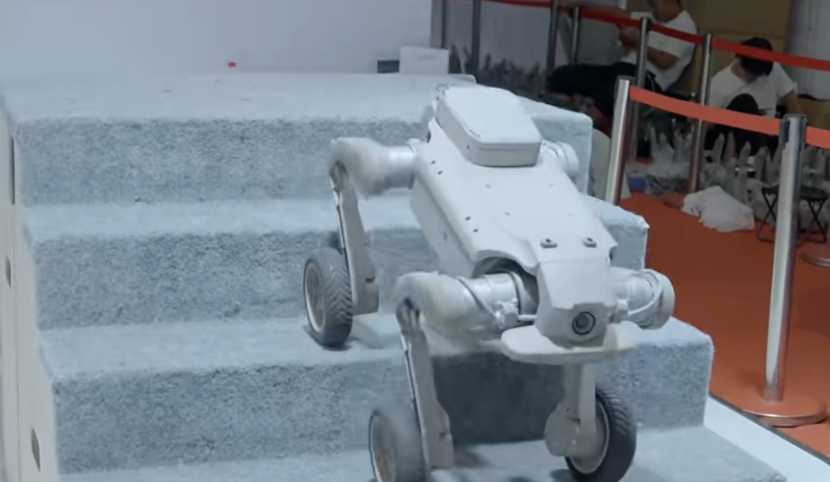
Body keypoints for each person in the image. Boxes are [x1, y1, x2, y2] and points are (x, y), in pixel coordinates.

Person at [547, 0, 697, 130]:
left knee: (610, 93)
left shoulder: (686, 26)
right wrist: (582, 5)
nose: (652, 9)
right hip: (621, 69)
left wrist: (637, 42)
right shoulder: (652, 17)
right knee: (565, 76)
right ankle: (560, 116)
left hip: (648, 80)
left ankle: (597, 129)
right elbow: (618, 13)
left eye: (654, 4)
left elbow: (665, 61)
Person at [705, 37, 804, 155]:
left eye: (759, 75)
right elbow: (707, 126)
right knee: (745, 102)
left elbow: (792, 100)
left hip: (764, 137)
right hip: (733, 140)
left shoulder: (774, 70)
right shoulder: (718, 84)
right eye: (751, 74)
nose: (755, 78)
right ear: (739, 60)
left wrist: (799, 137)